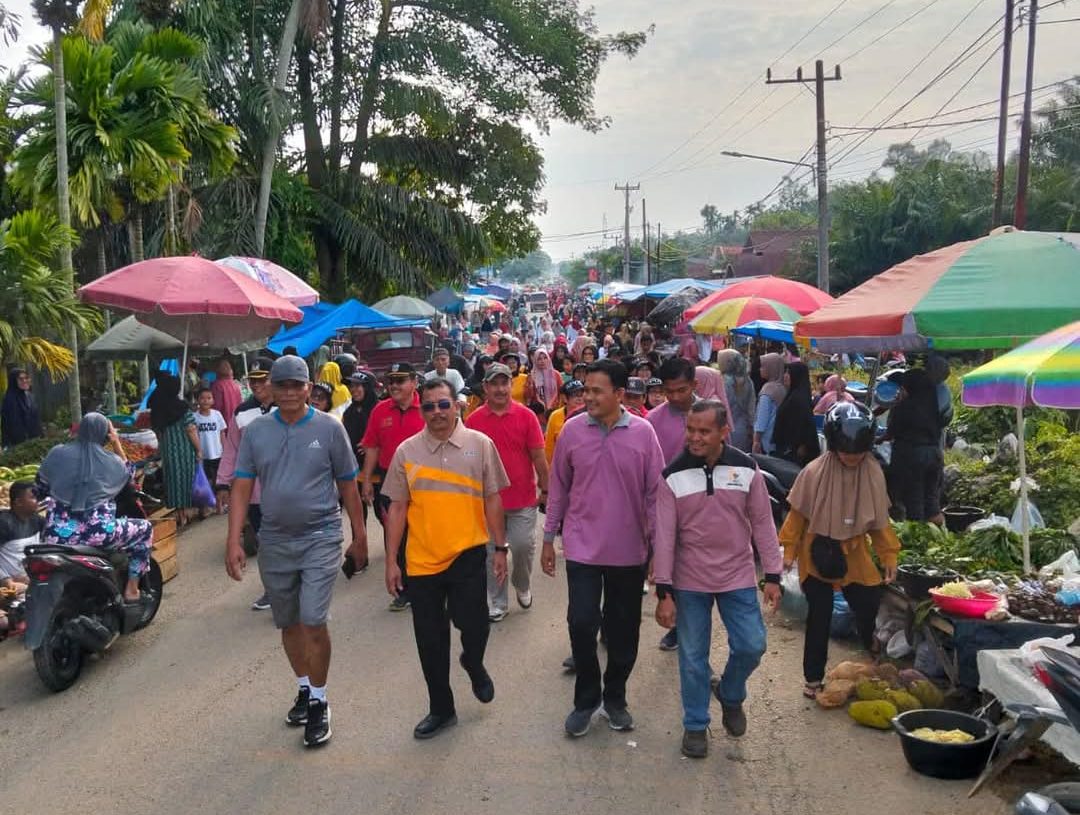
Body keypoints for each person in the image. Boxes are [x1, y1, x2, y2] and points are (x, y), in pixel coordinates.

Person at [225, 356, 367, 749]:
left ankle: (320, 701)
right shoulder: (257, 432)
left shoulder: (329, 429)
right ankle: (305, 688)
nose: (289, 392)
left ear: (309, 388)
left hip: (321, 535)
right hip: (274, 539)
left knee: (313, 620)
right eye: (281, 385)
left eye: (296, 385)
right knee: (287, 622)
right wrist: (234, 539)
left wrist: (360, 535)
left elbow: (348, 485)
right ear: (270, 388)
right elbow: (242, 485)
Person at [381, 378, 510, 739]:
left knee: (476, 625)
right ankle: (441, 708)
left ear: (457, 405)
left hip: (468, 553)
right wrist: (391, 561)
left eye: (443, 404)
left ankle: (473, 661)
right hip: (422, 561)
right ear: (421, 409)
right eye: (429, 406)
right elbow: (397, 508)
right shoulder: (407, 451)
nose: (436, 412)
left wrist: (501, 548)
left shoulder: (480, 445)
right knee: (430, 639)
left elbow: (493, 499)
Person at [542, 359, 664, 737]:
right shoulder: (572, 431)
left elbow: (655, 496)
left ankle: (615, 698)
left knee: (623, 630)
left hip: (629, 550)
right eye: (586, 390)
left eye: (597, 391)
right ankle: (586, 699)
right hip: (581, 547)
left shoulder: (643, 434)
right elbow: (558, 488)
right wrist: (548, 538)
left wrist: (659, 550)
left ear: (619, 394)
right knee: (581, 622)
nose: (588, 397)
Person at [652, 401, 782, 757]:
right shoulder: (672, 476)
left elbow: (763, 523)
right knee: (693, 657)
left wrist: (773, 574)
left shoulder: (747, 469)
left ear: (724, 432)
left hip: (737, 574)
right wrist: (664, 590)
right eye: (690, 430)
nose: (694, 438)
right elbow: (664, 536)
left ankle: (730, 692)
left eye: (704, 431)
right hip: (689, 579)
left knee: (752, 645)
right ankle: (695, 725)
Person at [779, 402, 899, 700]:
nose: (852, 457)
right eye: (846, 452)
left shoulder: (872, 472)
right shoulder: (814, 472)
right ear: (834, 446)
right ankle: (813, 678)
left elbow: (879, 521)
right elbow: (797, 516)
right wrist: (788, 551)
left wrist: (889, 554)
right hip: (816, 550)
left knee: (868, 601)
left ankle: (869, 641)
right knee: (819, 616)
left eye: (858, 452)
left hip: (855, 552)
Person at [37, 413, 151, 601]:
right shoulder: (112, 462)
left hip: (55, 535)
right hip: (97, 534)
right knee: (145, 529)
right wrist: (116, 442)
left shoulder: (56, 453)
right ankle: (132, 589)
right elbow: (129, 474)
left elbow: (40, 488)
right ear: (105, 435)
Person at [466, 364, 549, 621]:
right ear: (486, 387)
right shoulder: (473, 420)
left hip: (522, 498)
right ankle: (498, 601)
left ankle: (522, 584)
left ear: (511, 386)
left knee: (523, 546)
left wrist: (546, 488)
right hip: (488, 501)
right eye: (495, 384)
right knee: (493, 551)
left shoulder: (526, 416)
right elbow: (468, 460)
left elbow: (538, 456)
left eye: (505, 383)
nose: (500, 389)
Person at [360, 362, 425, 611]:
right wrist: (367, 479)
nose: (394, 385)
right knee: (396, 534)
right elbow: (372, 447)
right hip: (391, 479)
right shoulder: (379, 411)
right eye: (391, 381)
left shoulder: (428, 408)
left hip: (424, 480)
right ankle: (405, 588)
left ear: (414, 382)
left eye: (400, 380)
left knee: (423, 532)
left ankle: (430, 583)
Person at [217, 357, 277, 610]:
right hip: (254, 494)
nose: (256, 385)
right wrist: (223, 484)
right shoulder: (241, 413)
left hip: (286, 491)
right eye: (252, 380)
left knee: (287, 542)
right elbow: (232, 450)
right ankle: (272, 590)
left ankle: (293, 587)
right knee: (265, 543)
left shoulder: (288, 407)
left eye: (262, 379)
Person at [882, 368, 946, 523]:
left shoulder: (904, 407)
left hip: (912, 458)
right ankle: (940, 534)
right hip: (934, 455)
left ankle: (918, 535)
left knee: (914, 504)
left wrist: (877, 439)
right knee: (932, 504)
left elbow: (891, 433)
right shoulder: (933, 406)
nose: (901, 391)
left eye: (903, 388)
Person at [148, 373, 201, 527]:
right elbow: (191, 429)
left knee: (173, 482)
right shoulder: (182, 408)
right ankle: (187, 512)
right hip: (185, 451)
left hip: (168, 452)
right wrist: (199, 449)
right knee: (186, 480)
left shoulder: (157, 407)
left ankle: (179, 514)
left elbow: (158, 433)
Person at [772, 362, 820, 466]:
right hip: (788, 449)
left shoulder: (798, 399)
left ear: (797, 376)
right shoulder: (794, 395)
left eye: (789, 373)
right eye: (785, 372)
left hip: (794, 453)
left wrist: (802, 445)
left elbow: (805, 425)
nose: (785, 376)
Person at [0, 481, 44, 588]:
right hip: (9, 586)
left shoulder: (38, 521)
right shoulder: (4, 523)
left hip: (31, 581)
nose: (38, 501)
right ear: (19, 502)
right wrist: (6, 580)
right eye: (33, 497)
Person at [194, 388, 227, 516]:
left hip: (217, 453)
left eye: (209, 398)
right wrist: (197, 452)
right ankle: (206, 507)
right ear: (197, 400)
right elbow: (194, 435)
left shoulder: (217, 415)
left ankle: (219, 505)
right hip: (204, 455)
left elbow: (222, 433)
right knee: (205, 482)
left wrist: (225, 449)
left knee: (219, 481)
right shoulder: (194, 417)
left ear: (213, 400)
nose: (206, 401)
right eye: (202, 398)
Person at [717, 350, 757, 453]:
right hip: (743, 429)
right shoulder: (748, 381)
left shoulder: (722, 381)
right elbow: (751, 409)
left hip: (725, 428)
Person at [752, 353, 787, 455]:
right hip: (778, 440)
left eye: (763, 366)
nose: (760, 369)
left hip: (766, 441)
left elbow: (762, 420)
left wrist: (756, 441)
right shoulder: (784, 388)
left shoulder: (768, 391)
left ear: (771, 368)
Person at [544, 380, 586, 465]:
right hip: (561, 464)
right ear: (564, 398)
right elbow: (549, 447)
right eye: (575, 395)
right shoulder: (555, 416)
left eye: (582, 395)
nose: (579, 399)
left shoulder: (591, 415)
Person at [2, 369, 42, 449]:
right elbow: (12, 425)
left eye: (26, 378)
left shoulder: (30, 396)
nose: (24, 381)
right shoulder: (10, 400)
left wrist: (40, 437)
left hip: (35, 441)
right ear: (14, 382)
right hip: (18, 446)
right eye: (20, 379)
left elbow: (36, 419)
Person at [526, 348, 562, 416]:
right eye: (539, 359)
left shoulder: (556, 374)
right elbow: (529, 396)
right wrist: (530, 384)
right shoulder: (532, 376)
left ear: (549, 359)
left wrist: (552, 406)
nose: (542, 361)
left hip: (555, 410)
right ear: (535, 361)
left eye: (545, 358)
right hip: (539, 412)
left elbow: (561, 393)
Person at [210, 358, 242, 430]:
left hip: (223, 424)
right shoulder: (235, 384)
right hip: (236, 423)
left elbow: (216, 408)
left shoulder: (217, 385)